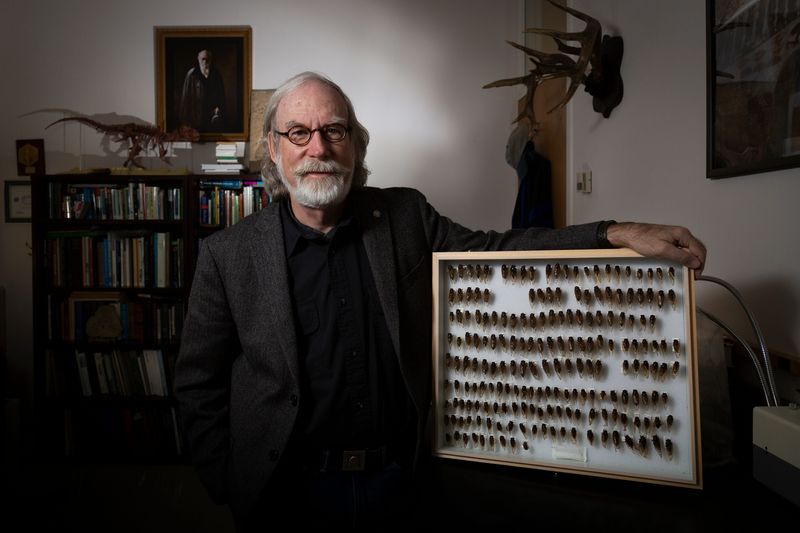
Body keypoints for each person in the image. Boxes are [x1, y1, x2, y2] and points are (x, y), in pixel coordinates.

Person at [174, 71, 706, 530]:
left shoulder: (404, 217)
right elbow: (198, 381)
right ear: (275, 147)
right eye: (299, 132)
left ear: (355, 144)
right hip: (284, 493)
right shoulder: (229, 256)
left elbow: (499, 250)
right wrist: (230, 480)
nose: (318, 148)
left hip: (399, 486)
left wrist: (616, 233)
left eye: (335, 131)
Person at [179, 49, 225, 132]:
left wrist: (218, 110)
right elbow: (185, 99)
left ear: (211, 60)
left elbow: (221, 96)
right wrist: (185, 120)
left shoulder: (216, 74)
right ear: (198, 59)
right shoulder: (191, 75)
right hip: (195, 118)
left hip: (211, 117)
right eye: (203, 59)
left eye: (207, 59)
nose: (205, 62)